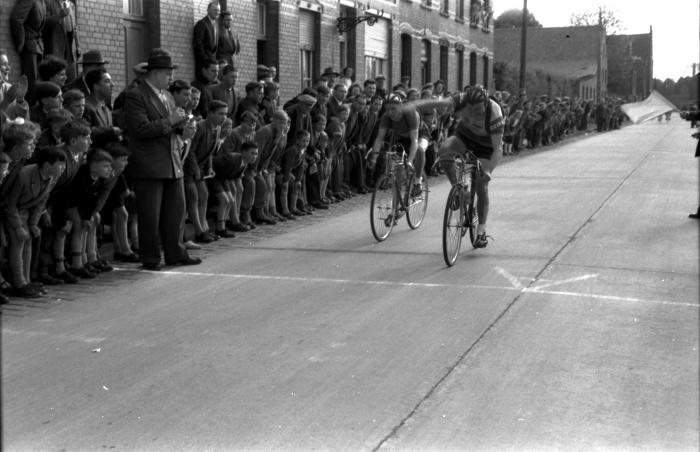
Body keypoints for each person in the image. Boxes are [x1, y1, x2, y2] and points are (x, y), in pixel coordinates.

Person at [124, 48, 201, 271]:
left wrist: (182, 128)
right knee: (150, 214)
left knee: (176, 211)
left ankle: (175, 252)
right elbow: (140, 129)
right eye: (168, 73)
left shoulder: (166, 95)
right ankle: (150, 257)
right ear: (155, 72)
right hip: (149, 164)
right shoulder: (136, 95)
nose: (170, 78)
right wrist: (170, 121)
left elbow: (170, 126)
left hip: (171, 160)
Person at [413, 85, 504, 248]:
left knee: (482, 183)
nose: (476, 113)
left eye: (479, 110)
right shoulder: (461, 99)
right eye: (472, 109)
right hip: (464, 136)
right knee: (444, 152)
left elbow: (497, 149)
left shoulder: (494, 114)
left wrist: (488, 170)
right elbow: (435, 104)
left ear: (486, 102)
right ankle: (459, 190)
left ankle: (481, 231)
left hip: (486, 146)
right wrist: (411, 105)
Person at [370, 93, 426, 199]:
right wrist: (374, 158)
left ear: (400, 106)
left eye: (393, 109)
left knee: (420, 149)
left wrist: (409, 161)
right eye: (387, 109)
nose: (390, 112)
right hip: (402, 137)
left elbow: (414, 140)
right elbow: (379, 138)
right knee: (398, 163)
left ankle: (418, 182)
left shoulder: (410, 113)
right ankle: (398, 199)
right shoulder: (386, 117)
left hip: (419, 134)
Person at [9, 0, 47, 104]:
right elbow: (16, 19)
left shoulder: (42, 2)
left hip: (38, 47)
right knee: (30, 83)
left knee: (37, 83)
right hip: (29, 46)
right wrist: (20, 42)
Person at [43, 0, 80, 81]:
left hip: (70, 51)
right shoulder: (48, 2)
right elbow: (44, 24)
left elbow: (75, 28)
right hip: (56, 49)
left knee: (71, 82)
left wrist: (77, 45)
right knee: (57, 81)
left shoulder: (71, 5)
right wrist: (60, 15)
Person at [193, 1, 220, 76]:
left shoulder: (216, 25)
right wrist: (205, 60)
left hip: (212, 63)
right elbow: (198, 44)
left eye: (218, 10)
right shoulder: (202, 24)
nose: (217, 12)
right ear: (208, 10)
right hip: (204, 65)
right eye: (215, 10)